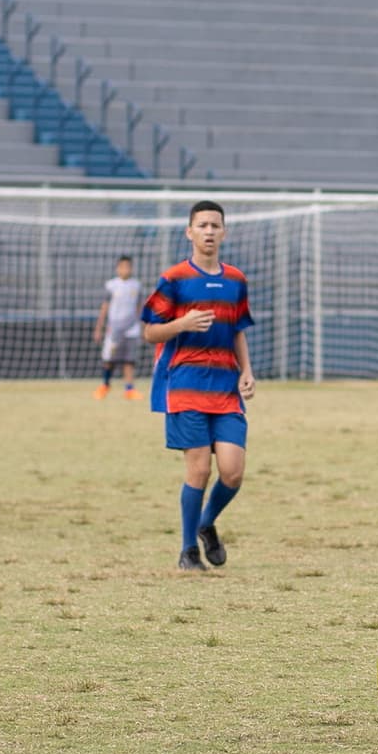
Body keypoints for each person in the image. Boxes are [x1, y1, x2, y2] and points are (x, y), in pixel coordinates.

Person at [141, 201, 255, 571]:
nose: (209, 231)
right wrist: (183, 323)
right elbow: (149, 331)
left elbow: (238, 329)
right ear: (189, 232)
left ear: (224, 232)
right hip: (185, 385)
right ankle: (188, 550)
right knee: (199, 470)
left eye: (215, 225)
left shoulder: (236, 280)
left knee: (233, 471)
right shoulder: (174, 278)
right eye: (202, 225)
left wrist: (246, 371)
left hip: (225, 387)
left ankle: (206, 523)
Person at [93, 254, 144, 401]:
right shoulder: (111, 285)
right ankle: (105, 385)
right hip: (114, 328)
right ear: (117, 268)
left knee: (129, 360)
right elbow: (104, 307)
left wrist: (143, 326)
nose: (125, 269)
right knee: (109, 359)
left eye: (128, 266)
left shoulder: (136, 285)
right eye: (122, 266)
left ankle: (129, 389)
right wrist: (99, 328)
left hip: (132, 329)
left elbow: (140, 307)